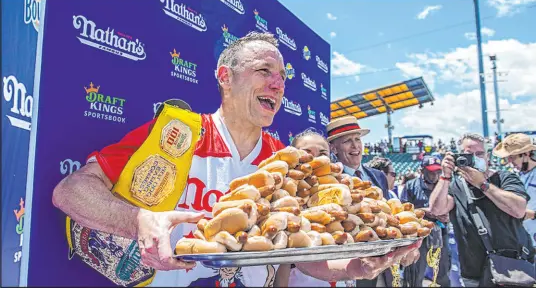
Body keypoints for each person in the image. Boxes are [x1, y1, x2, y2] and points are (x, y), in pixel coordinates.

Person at [52, 31, 419, 287]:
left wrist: (358, 264)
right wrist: (139, 221)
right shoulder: (176, 133)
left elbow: (306, 255)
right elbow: (70, 191)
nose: (278, 85)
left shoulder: (286, 159)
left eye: (282, 77)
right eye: (264, 71)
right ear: (225, 77)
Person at [274, 128, 422, 287]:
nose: (315, 159)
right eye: (307, 152)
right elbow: (284, 262)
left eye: (322, 154)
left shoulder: (345, 193)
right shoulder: (284, 196)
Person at [429, 133, 534, 287]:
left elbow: (518, 210)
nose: (474, 158)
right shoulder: (456, 186)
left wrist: (482, 184)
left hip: (513, 271)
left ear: (488, 156)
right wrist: (445, 176)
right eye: (468, 155)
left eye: (479, 154)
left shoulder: (506, 178)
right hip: (474, 274)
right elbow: (437, 209)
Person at [326, 117, 393, 287]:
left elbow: (387, 217)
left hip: (381, 266)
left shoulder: (378, 176)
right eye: (347, 141)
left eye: (357, 139)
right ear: (334, 148)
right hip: (347, 267)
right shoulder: (329, 180)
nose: (355, 146)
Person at [400, 156, 451, 287]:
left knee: (442, 274)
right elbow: (402, 211)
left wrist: (447, 215)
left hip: (441, 233)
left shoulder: (445, 185)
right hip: (418, 237)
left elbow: (454, 205)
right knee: (414, 276)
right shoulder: (411, 185)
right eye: (430, 172)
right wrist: (425, 211)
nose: (434, 175)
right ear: (422, 171)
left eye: (437, 171)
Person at [493, 133, 536, 247]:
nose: (510, 161)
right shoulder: (515, 176)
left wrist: (533, 215)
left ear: (526, 154)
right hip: (523, 242)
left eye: (513, 157)